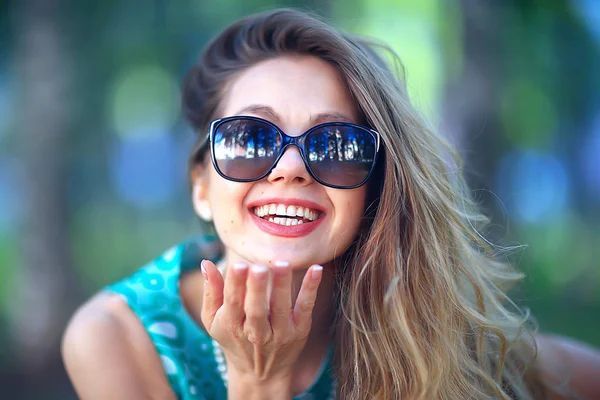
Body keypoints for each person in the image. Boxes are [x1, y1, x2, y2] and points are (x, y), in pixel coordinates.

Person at [61, 8, 600, 400]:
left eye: (335, 146)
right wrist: (261, 384)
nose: (290, 168)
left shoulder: (416, 318)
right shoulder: (116, 337)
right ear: (202, 186)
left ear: (374, 190)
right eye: (249, 139)